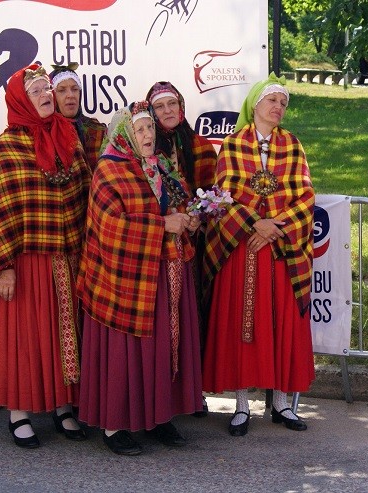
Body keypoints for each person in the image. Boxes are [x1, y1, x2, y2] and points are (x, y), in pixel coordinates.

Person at [76, 101, 203, 455]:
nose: (148, 135)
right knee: (126, 351)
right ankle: (114, 426)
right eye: (141, 129)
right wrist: (163, 225)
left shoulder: (161, 166)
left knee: (162, 346)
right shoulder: (109, 169)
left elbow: (178, 204)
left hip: (164, 269)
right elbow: (108, 226)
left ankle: (160, 416)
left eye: (150, 129)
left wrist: (187, 218)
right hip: (123, 276)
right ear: (126, 134)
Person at [0, 64, 90, 447]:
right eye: (37, 91)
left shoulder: (69, 138)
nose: (46, 95)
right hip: (24, 263)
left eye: (48, 89)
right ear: (20, 101)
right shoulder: (9, 146)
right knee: (25, 338)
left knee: (64, 334)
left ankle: (62, 406)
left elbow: (83, 197)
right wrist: (4, 267)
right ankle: (19, 412)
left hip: (67, 258)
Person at [202, 73, 315, 436]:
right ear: (255, 105)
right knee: (243, 324)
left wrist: (275, 228)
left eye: (283, 103)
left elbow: (305, 196)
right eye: (272, 101)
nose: (278, 107)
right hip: (243, 247)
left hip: (280, 249)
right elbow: (225, 194)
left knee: (280, 322)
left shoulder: (293, 145)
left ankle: (281, 403)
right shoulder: (234, 144)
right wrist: (256, 225)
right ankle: (240, 406)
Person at [146, 81, 217, 417]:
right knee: (165, 317)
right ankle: (166, 390)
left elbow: (211, 192)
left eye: (172, 104)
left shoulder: (200, 145)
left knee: (194, 314)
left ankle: (193, 391)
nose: (168, 111)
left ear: (182, 106)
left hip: (195, 243)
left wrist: (197, 219)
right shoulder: (146, 148)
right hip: (161, 246)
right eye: (160, 107)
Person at [49, 63, 107, 171]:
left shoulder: (96, 130)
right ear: (51, 96)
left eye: (75, 89)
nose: (70, 95)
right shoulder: (44, 133)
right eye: (62, 90)